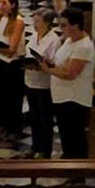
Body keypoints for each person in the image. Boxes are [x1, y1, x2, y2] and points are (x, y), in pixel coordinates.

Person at [42, 8, 94, 158]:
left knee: (75, 138)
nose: (61, 29)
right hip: (62, 96)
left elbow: (70, 74)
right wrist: (51, 63)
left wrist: (47, 69)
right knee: (66, 137)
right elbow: (62, 63)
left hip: (74, 99)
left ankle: (77, 174)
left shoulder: (83, 46)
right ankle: (69, 167)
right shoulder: (70, 41)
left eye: (64, 25)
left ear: (76, 25)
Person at [0, 0, 25, 139]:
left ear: (13, 5)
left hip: (11, 65)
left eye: (4, 3)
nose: (0, 6)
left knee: (11, 98)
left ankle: (12, 128)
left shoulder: (18, 21)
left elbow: (12, 49)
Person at [24, 9, 61, 158]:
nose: (35, 24)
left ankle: (45, 150)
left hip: (44, 84)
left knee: (44, 118)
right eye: (34, 20)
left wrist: (41, 65)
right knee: (34, 116)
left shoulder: (54, 40)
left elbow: (53, 63)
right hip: (30, 81)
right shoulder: (34, 36)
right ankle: (35, 146)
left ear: (47, 23)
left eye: (38, 21)